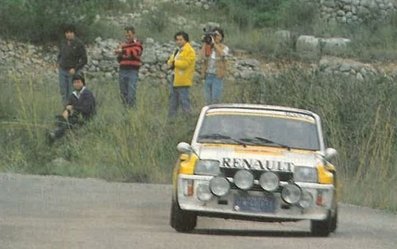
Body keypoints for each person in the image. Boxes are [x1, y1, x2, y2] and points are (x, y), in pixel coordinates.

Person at [48, 74, 96, 142]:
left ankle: (55, 135)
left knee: (71, 121)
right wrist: (66, 111)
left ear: (83, 83)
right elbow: (68, 105)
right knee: (59, 118)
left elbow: (87, 109)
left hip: (86, 117)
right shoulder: (74, 95)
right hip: (76, 115)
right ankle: (55, 134)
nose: (76, 84)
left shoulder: (87, 94)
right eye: (75, 82)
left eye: (78, 82)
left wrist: (73, 108)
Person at [167, 31, 196, 117]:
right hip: (175, 78)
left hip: (183, 80)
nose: (178, 41)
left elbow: (185, 64)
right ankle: (172, 119)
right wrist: (173, 62)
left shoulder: (189, 51)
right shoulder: (177, 51)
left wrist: (174, 63)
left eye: (180, 39)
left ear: (186, 40)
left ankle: (188, 118)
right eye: (177, 40)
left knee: (184, 101)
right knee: (173, 100)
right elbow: (169, 61)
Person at [57, 24, 87, 106]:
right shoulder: (63, 43)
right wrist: (59, 62)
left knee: (72, 93)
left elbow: (84, 60)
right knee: (63, 92)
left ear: (74, 33)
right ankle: (65, 111)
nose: (68, 34)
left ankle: (73, 112)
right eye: (67, 32)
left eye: (70, 32)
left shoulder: (79, 44)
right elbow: (60, 54)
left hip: (73, 72)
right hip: (62, 71)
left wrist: (75, 68)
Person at [115, 26, 143, 108]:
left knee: (131, 93)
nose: (127, 37)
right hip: (122, 70)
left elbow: (135, 52)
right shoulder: (122, 45)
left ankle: (132, 112)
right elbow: (120, 59)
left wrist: (123, 51)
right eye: (126, 36)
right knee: (123, 93)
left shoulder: (138, 43)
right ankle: (125, 112)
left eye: (129, 35)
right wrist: (120, 54)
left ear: (134, 34)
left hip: (132, 71)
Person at [201, 27, 229, 105]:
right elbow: (202, 56)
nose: (216, 37)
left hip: (217, 76)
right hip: (208, 75)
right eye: (214, 35)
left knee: (215, 100)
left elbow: (223, 54)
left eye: (218, 35)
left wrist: (214, 44)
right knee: (207, 100)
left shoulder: (224, 47)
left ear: (221, 37)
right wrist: (206, 42)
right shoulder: (208, 47)